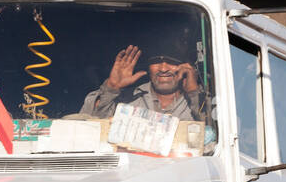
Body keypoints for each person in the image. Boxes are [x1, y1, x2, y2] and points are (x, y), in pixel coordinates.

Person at [80, 39, 209, 122]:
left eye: (171, 62)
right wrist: (111, 88)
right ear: (148, 66)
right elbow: (87, 124)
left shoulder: (204, 100)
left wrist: (193, 93)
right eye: (156, 61)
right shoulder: (127, 99)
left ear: (188, 66)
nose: (163, 68)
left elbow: (215, 133)